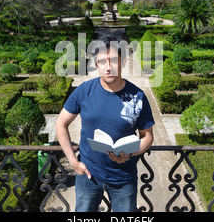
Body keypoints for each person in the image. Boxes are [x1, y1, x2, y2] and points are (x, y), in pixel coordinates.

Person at [56, 39, 155, 212]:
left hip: (123, 177)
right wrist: (74, 162)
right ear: (96, 65)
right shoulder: (84, 90)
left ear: (123, 62)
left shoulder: (137, 96)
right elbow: (61, 124)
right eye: (102, 62)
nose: (108, 67)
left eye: (114, 61)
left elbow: (147, 136)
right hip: (88, 175)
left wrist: (130, 153)